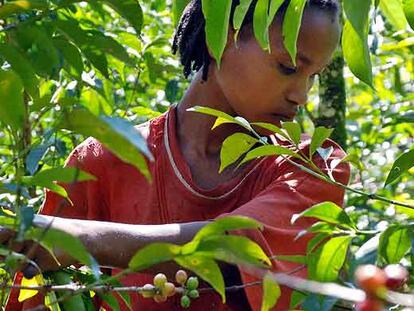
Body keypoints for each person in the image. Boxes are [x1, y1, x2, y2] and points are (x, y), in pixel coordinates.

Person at [4, 0, 350, 310]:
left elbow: (237, 252)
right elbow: (39, 295)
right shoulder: (100, 163)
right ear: (220, 39)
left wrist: (80, 238)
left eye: (313, 76)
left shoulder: (316, 166)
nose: (301, 96)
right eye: (289, 68)